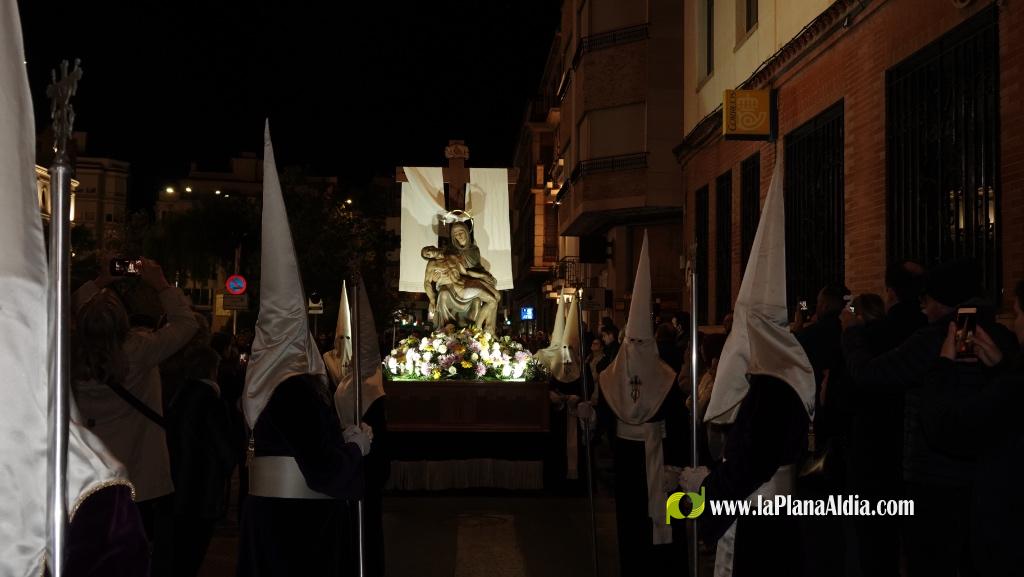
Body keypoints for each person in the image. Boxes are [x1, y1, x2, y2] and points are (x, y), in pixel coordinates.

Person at [238, 123, 372, 576]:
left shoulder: (261, 386)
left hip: (270, 522)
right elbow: (326, 471)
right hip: (301, 531)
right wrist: (355, 449)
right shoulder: (295, 389)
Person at [842, 258, 1017, 577]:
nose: (923, 309)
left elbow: (871, 374)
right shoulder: (999, 336)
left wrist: (852, 334)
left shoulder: (939, 338)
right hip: (985, 481)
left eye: (927, 300)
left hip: (935, 482)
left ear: (943, 301)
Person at [682, 159, 815, 577]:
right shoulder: (783, 372)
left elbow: (752, 465)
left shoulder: (772, 386)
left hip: (760, 519)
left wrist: (704, 490)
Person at [72, 258, 199, 575]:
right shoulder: (140, 350)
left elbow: (68, 308)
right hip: (140, 476)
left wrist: (99, 282)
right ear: (123, 321)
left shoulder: (68, 356)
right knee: (141, 555)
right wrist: (161, 285)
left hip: (87, 476)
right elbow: (186, 324)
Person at [580, 232, 690, 576]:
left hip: (653, 461)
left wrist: (679, 466)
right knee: (639, 524)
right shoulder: (654, 376)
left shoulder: (624, 376)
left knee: (652, 525)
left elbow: (678, 425)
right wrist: (589, 415)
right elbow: (604, 416)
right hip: (641, 462)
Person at [920, 280, 1024, 575]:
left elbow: (946, 428)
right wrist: (1000, 367)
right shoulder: (1012, 377)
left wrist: (943, 364)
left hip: (1007, 536)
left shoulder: (1013, 386)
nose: (1015, 323)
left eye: (1018, 313)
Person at [166, 345, 235, 577]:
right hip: (202, 489)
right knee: (192, 552)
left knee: (178, 550)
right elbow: (225, 449)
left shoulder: (179, 396)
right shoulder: (211, 400)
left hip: (178, 485)